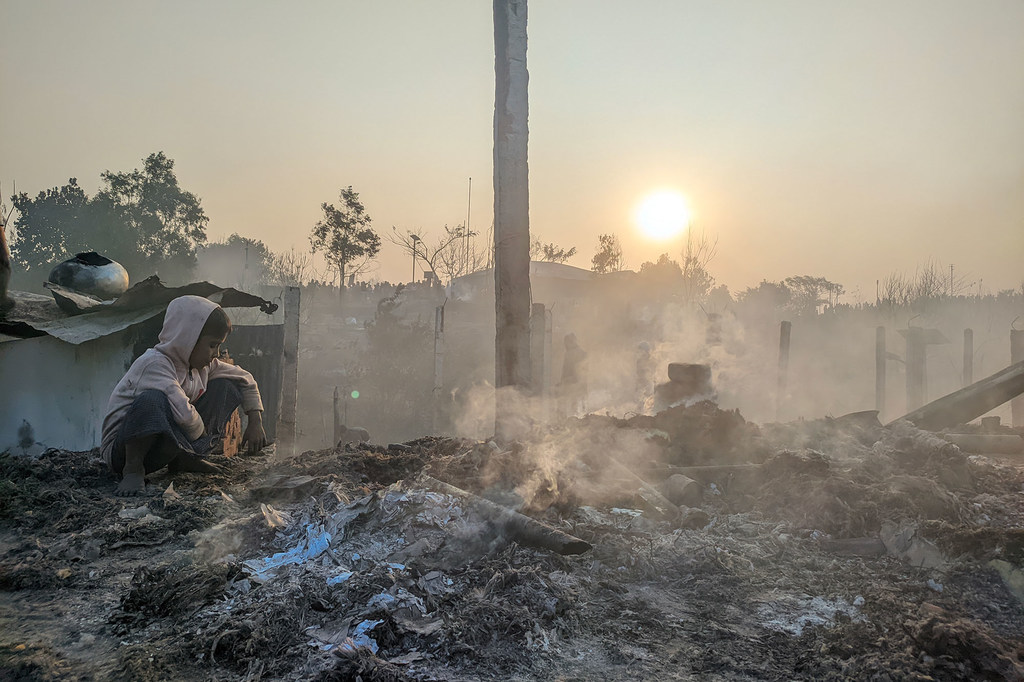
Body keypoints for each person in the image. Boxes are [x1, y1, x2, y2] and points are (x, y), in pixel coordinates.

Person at [101, 295, 267, 496]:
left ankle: (185, 459)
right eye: (212, 345)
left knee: (226, 386)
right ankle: (133, 470)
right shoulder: (154, 364)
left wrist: (255, 419)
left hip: (165, 447)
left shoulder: (200, 367)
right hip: (123, 451)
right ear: (187, 339)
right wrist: (202, 438)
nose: (216, 353)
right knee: (152, 400)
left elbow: (245, 378)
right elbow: (183, 411)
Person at [558, 332, 588, 417]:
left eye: (566, 343)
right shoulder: (583, 353)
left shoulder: (570, 354)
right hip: (580, 385)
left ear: (571, 342)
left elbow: (566, 371)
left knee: (572, 407)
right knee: (580, 406)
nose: (565, 345)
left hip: (572, 384)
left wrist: (564, 381)